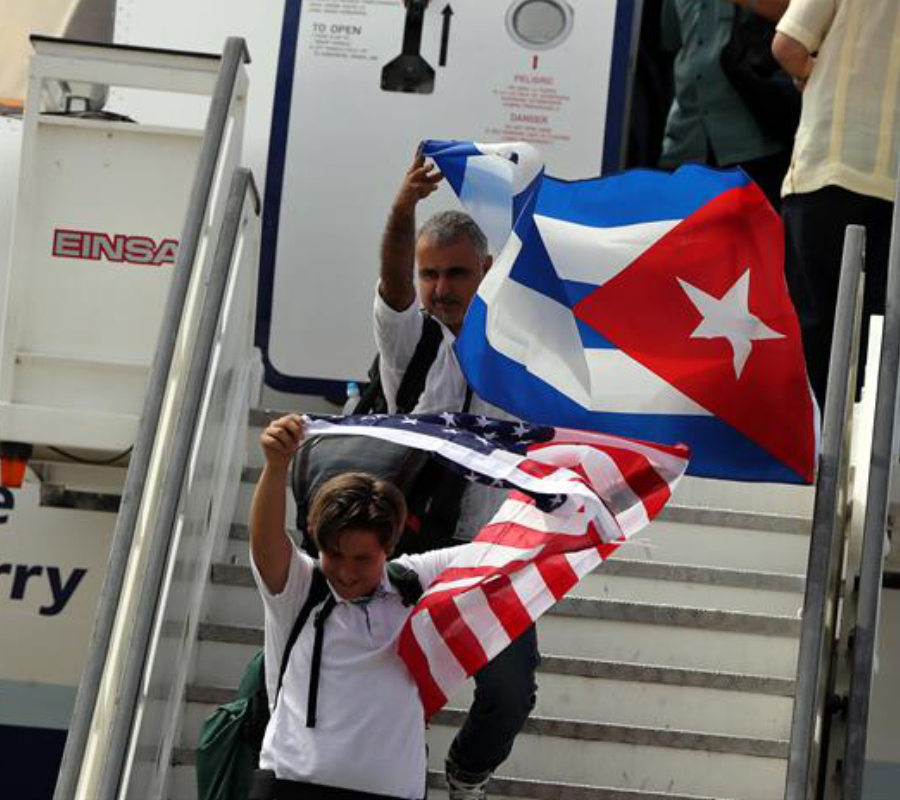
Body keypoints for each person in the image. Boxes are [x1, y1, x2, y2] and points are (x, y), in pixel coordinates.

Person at [374, 153, 539, 799]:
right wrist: (400, 209)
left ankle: (465, 778)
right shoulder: (410, 344)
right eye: (430, 274)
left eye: (456, 274)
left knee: (510, 694)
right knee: (393, 690)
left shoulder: (524, 361)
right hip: (405, 550)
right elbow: (390, 285)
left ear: (486, 274)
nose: (441, 288)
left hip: (492, 560)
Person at [249, 413, 464, 799]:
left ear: (390, 546)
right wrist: (277, 465)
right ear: (315, 539)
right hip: (289, 788)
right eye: (334, 554)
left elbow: (508, 552)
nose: (346, 573)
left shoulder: (416, 581)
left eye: (362, 559)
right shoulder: (300, 586)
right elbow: (266, 543)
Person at [773, 0, 900, 408]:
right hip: (893, 185)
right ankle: (865, 460)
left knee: (812, 326)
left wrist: (814, 74)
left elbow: (788, 45)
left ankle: (813, 453)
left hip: (828, 165)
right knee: (881, 337)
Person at [659, 0, 790, 209]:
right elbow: (671, 40)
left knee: (750, 236)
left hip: (750, 140)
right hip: (686, 136)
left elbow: (797, 19)